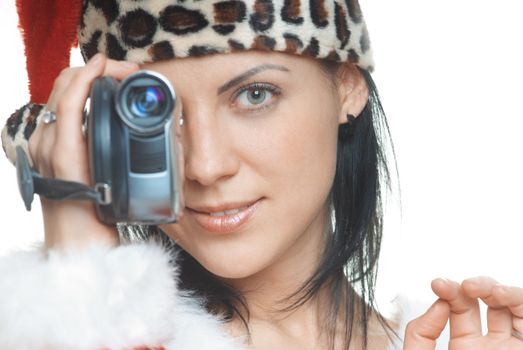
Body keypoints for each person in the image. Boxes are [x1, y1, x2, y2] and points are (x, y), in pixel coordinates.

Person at [1, 0, 523, 349]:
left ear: (347, 87)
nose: (205, 166)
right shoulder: (75, 331)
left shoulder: (433, 339)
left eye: (254, 95)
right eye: (157, 114)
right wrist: (78, 271)